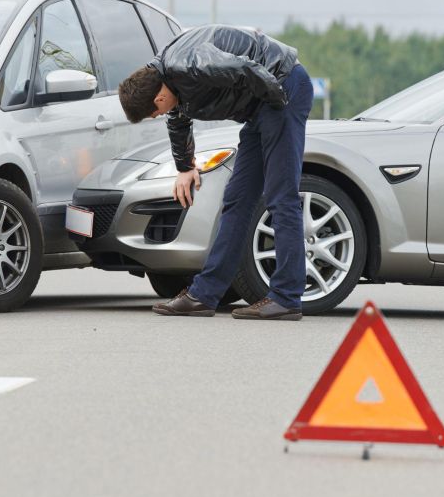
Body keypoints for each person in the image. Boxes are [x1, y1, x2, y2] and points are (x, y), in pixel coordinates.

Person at [119, 25, 314, 320]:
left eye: (153, 113)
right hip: (261, 107)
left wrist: (278, 108)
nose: (158, 116)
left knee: (280, 195)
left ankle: (286, 297)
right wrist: (184, 167)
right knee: (237, 198)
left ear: (158, 98)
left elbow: (245, 68)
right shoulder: (166, 78)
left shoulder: (191, 64)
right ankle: (204, 295)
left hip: (282, 90)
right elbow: (178, 119)